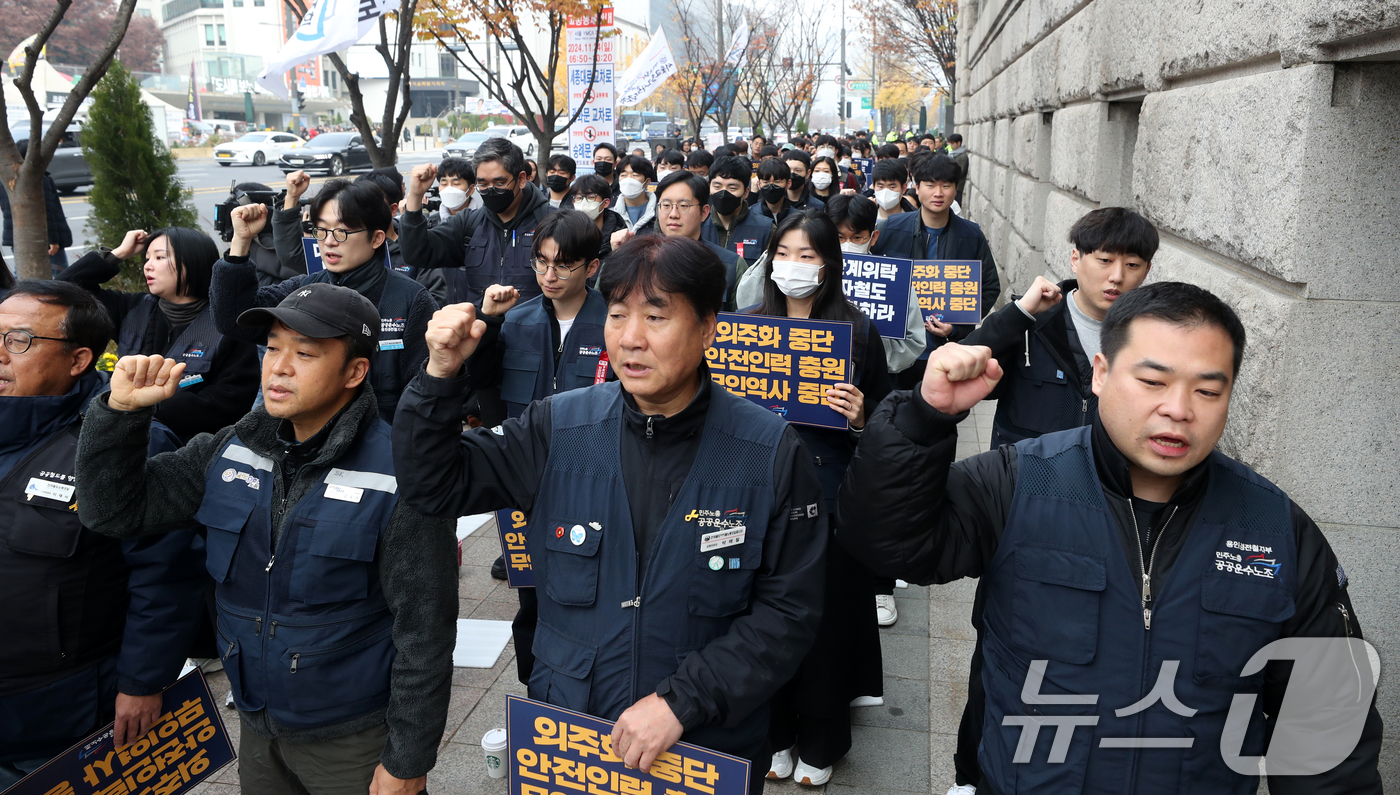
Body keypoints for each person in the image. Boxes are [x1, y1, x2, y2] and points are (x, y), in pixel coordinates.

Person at [837, 282, 1384, 794]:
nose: (1178, 409)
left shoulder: (1277, 529)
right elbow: (885, 543)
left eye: (1207, 390)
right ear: (1100, 373)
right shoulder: (1017, 480)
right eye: (1153, 381)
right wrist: (922, 421)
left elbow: (1328, 729)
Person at [391, 234, 827, 795]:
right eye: (617, 315)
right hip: (574, 741)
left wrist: (682, 701)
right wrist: (439, 375)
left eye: (656, 316)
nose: (631, 338)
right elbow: (431, 484)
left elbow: (789, 612)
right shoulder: (556, 427)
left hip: (705, 745)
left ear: (709, 328)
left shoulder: (768, 450)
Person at [76, 283, 459, 795]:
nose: (279, 366)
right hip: (257, 725)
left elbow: (426, 632)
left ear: (355, 372)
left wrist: (407, 762)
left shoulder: (400, 474)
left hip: (354, 738)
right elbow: (112, 511)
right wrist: (120, 416)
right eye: (273, 347)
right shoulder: (230, 448)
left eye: (304, 353)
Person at [940, 207, 1158, 795]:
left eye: (1132, 264)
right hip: (1027, 515)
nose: (1116, 276)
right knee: (1000, 650)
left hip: (1118, 520)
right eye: (1104, 260)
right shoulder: (1035, 325)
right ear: (1075, 260)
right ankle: (970, 774)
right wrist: (1014, 315)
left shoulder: (1150, 337)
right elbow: (961, 375)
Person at [0, 281, 204, 788]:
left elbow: (166, 575)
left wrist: (143, 681)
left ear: (78, 359)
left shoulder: (126, 442)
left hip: (58, 708)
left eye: (17, 341)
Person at [745, 211, 889, 787]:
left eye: (807, 255)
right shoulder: (746, 329)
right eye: (784, 253)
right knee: (759, 618)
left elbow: (886, 428)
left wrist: (861, 419)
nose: (794, 267)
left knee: (825, 622)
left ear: (828, 262)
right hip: (756, 496)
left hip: (830, 496)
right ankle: (774, 731)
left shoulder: (858, 332)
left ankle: (823, 738)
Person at [463, 210, 610, 672]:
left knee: (594, 585)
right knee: (529, 589)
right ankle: (536, 684)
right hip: (526, 479)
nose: (549, 275)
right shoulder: (516, 319)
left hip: (596, 476)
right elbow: (482, 383)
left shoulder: (614, 320)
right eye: (541, 262)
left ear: (591, 267)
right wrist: (486, 324)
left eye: (563, 265)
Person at [213, 179, 437, 424]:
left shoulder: (410, 300)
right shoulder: (302, 289)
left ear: (377, 238)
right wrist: (240, 243)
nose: (329, 241)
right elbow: (233, 319)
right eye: (321, 229)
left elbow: (425, 394)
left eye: (342, 231)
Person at [60, 227, 260, 442]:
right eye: (146, 258)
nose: (148, 265)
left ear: (193, 261)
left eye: (159, 257)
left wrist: (146, 405)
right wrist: (118, 253)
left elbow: (231, 402)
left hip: (184, 449)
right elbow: (63, 290)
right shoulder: (132, 309)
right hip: (118, 436)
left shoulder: (227, 323)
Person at [871, 155, 1001, 392]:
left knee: (940, 419)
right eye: (930, 185)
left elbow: (990, 286)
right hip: (898, 351)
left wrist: (957, 327)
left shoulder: (971, 235)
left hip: (944, 350)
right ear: (916, 188)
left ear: (955, 189)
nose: (938, 193)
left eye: (946, 185)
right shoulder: (891, 228)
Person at [400, 138, 557, 310]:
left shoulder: (552, 223)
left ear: (521, 179)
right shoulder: (469, 224)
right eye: (483, 184)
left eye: (499, 183)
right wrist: (415, 196)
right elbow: (416, 252)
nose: (490, 189)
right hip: (482, 332)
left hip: (537, 332)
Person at [610, 170, 741, 308]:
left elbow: (743, 322)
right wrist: (618, 257)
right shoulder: (637, 257)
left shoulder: (731, 264)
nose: (673, 214)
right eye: (666, 205)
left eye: (683, 206)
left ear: (704, 212)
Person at [0, 150, 72, 278]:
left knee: (23, 275)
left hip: (16, 237)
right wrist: (53, 240)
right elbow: (47, 212)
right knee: (61, 276)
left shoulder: (6, 180)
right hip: (42, 239)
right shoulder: (38, 180)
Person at [702, 156, 772, 275]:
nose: (723, 193)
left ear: (746, 192)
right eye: (717, 187)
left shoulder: (766, 228)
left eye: (732, 188)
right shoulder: (697, 224)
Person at [572, 174, 628, 259]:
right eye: (579, 198)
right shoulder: (567, 233)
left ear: (605, 203)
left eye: (591, 197)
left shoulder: (619, 236)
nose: (583, 203)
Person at [614, 155, 659, 234]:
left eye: (635, 175)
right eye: (623, 175)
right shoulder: (612, 213)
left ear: (647, 182)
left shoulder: (659, 211)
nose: (628, 179)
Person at [433, 157, 480, 221]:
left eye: (456, 183)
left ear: (471, 189)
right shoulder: (432, 223)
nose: (449, 189)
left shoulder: (482, 221)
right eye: (444, 184)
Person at [946, 134, 968, 205]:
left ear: (959, 143)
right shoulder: (952, 154)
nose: (951, 146)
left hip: (958, 187)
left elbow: (960, 171)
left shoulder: (963, 156)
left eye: (952, 143)